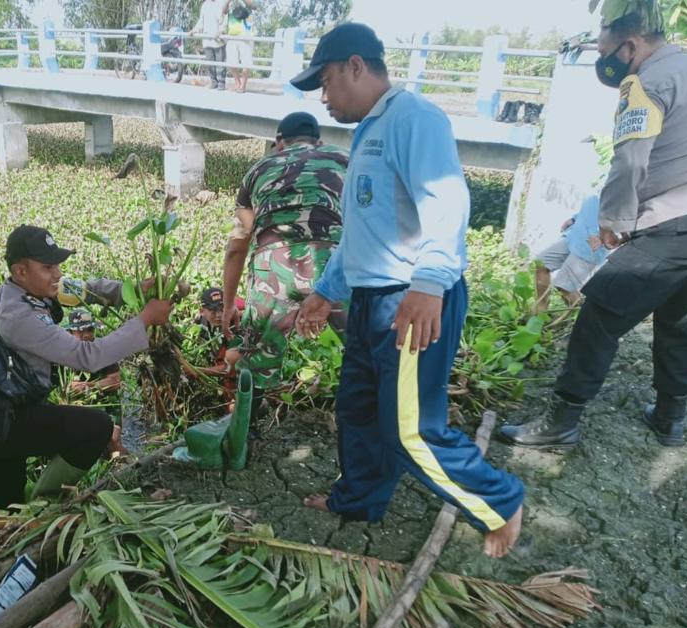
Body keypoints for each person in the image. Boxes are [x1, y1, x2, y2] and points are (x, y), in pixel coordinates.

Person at [291, 23, 525, 558]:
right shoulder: (368, 131)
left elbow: (445, 203)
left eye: (326, 83)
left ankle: (500, 499)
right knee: (357, 410)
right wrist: (326, 292)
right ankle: (358, 500)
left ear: (356, 65)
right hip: (372, 300)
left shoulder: (414, 118)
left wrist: (429, 282)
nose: (324, 98)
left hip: (410, 298)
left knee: (411, 430)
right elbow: (362, 234)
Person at [500, 4, 687, 449]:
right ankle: (670, 418)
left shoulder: (646, 82)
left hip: (672, 219)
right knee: (682, 319)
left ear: (631, 44)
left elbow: (629, 160)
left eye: (606, 48)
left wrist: (613, 222)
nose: (604, 58)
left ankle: (561, 422)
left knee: (600, 314)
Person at [0, 225, 173, 509]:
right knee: (96, 427)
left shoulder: (28, 289)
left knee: (6, 501)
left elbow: (84, 290)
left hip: (8, 410)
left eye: (58, 265)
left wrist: (131, 291)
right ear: (20, 271)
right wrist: (144, 320)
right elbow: (88, 356)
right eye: (48, 267)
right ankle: (45, 506)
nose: (58, 273)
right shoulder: (18, 316)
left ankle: (21, 516)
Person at [222, 111, 349, 419]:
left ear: (279, 143)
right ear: (317, 141)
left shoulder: (258, 170)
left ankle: (243, 438)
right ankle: (381, 429)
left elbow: (238, 247)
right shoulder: (344, 159)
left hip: (273, 263)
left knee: (255, 360)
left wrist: (229, 305)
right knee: (366, 349)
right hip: (334, 262)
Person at [534, 194, 610, 313]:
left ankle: (582, 318)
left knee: (564, 287)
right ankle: (541, 312)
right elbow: (594, 205)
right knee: (541, 263)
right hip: (574, 236)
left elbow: (620, 214)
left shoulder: (628, 186)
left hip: (590, 245)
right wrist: (574, 219)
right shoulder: (608, 182)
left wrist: (594, 233)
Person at [64, 308, 121, 396]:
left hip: (102, 403)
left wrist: (89, 386)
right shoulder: (63, 350)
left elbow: (115, 381)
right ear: (71, 332)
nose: (87, 335)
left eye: (90, 329)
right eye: (81, 330)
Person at [192, 0, 227, 90]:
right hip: (207, 39)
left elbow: (225, 20)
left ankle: (221, 84)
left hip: (218, 39)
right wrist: (194, 30)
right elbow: (201, 21)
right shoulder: (205, 5)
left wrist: (221, 31)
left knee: (220, 63)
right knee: (210, 63)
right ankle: (213, 82)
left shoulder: (222, 3)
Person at [223, 0, 256, 93]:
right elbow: (224, 12)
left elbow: (254, 6)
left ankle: (243, 85)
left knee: (246, 62)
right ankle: (237, 83)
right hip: (232, 35)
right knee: (232, 62)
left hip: (246, 34)